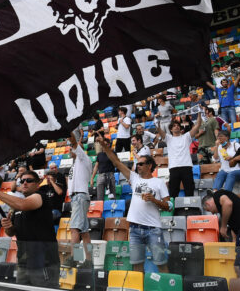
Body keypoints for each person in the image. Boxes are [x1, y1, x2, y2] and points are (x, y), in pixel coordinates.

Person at [99, 136, 171, 272]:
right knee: (137, 265)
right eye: (137, 164)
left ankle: (166, 283)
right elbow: (116, 162)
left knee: (161, 263)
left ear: (150, 166)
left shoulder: (159, 182)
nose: (138, 166)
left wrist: (154, 200)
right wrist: (105, 147)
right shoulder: (134, 178)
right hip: (135, 229)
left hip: (153, 229)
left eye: (141, 164)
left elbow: (168, 206)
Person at [0, 171, 60, 287]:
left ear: (37, 184)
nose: (24, 183)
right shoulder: (17, 207)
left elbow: (23, 204)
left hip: (44, 262)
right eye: (22, 181)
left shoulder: (40, 196)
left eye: (29, 180)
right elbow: (11, 232)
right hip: (23, 262)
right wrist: (8, 226)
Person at [156, 113, 202, 197]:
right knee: (173, 192)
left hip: (187, 166)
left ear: (180, 128)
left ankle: (190, 205)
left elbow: (198, 125)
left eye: (178, 125)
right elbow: (159, 130)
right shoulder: (168, 138)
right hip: (174, 167)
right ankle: (173, 206)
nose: (176, 127)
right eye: (174, 126)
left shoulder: (186, 136)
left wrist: (199, 113)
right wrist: (158, 122)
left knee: (189, 190)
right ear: (171, 129)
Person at [67, 129, 93, 267]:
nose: (70, 149)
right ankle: (89, 260)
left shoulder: (83, 158)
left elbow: (74, 142)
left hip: (79, 196)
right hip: (78, 197)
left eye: (72, 148)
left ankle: (74, 258)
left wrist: (68, 131)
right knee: (84, 232)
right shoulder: (76, 163)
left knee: (74, 229)